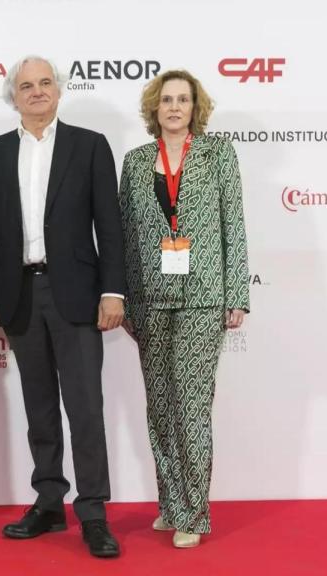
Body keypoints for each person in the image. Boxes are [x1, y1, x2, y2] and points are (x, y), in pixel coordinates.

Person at [0, 56, 127, 558]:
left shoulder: (90, 145)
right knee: (39, 407)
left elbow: (111, 225)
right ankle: (49, 500)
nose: (36, 92)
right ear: (12, 96)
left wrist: (113, 291)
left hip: (77, 294)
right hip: (18, 295)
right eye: (25, 86)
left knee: (85, 408)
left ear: (59, 91)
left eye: (44, 84)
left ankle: (94, 512)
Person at [118, 69, 250, 548]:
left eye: (183, 100)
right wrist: (126, 299)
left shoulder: (218, 155)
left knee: (191, 406)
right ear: (155, 108)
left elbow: (233, 226)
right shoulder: (134, 163)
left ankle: (194, 513)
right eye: (167, 100)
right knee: (160, 407)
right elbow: (126, 238)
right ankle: (170, 503)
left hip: (202, 297)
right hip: (150, 299)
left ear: (196, 108)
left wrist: (237, 294)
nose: (174, 107)